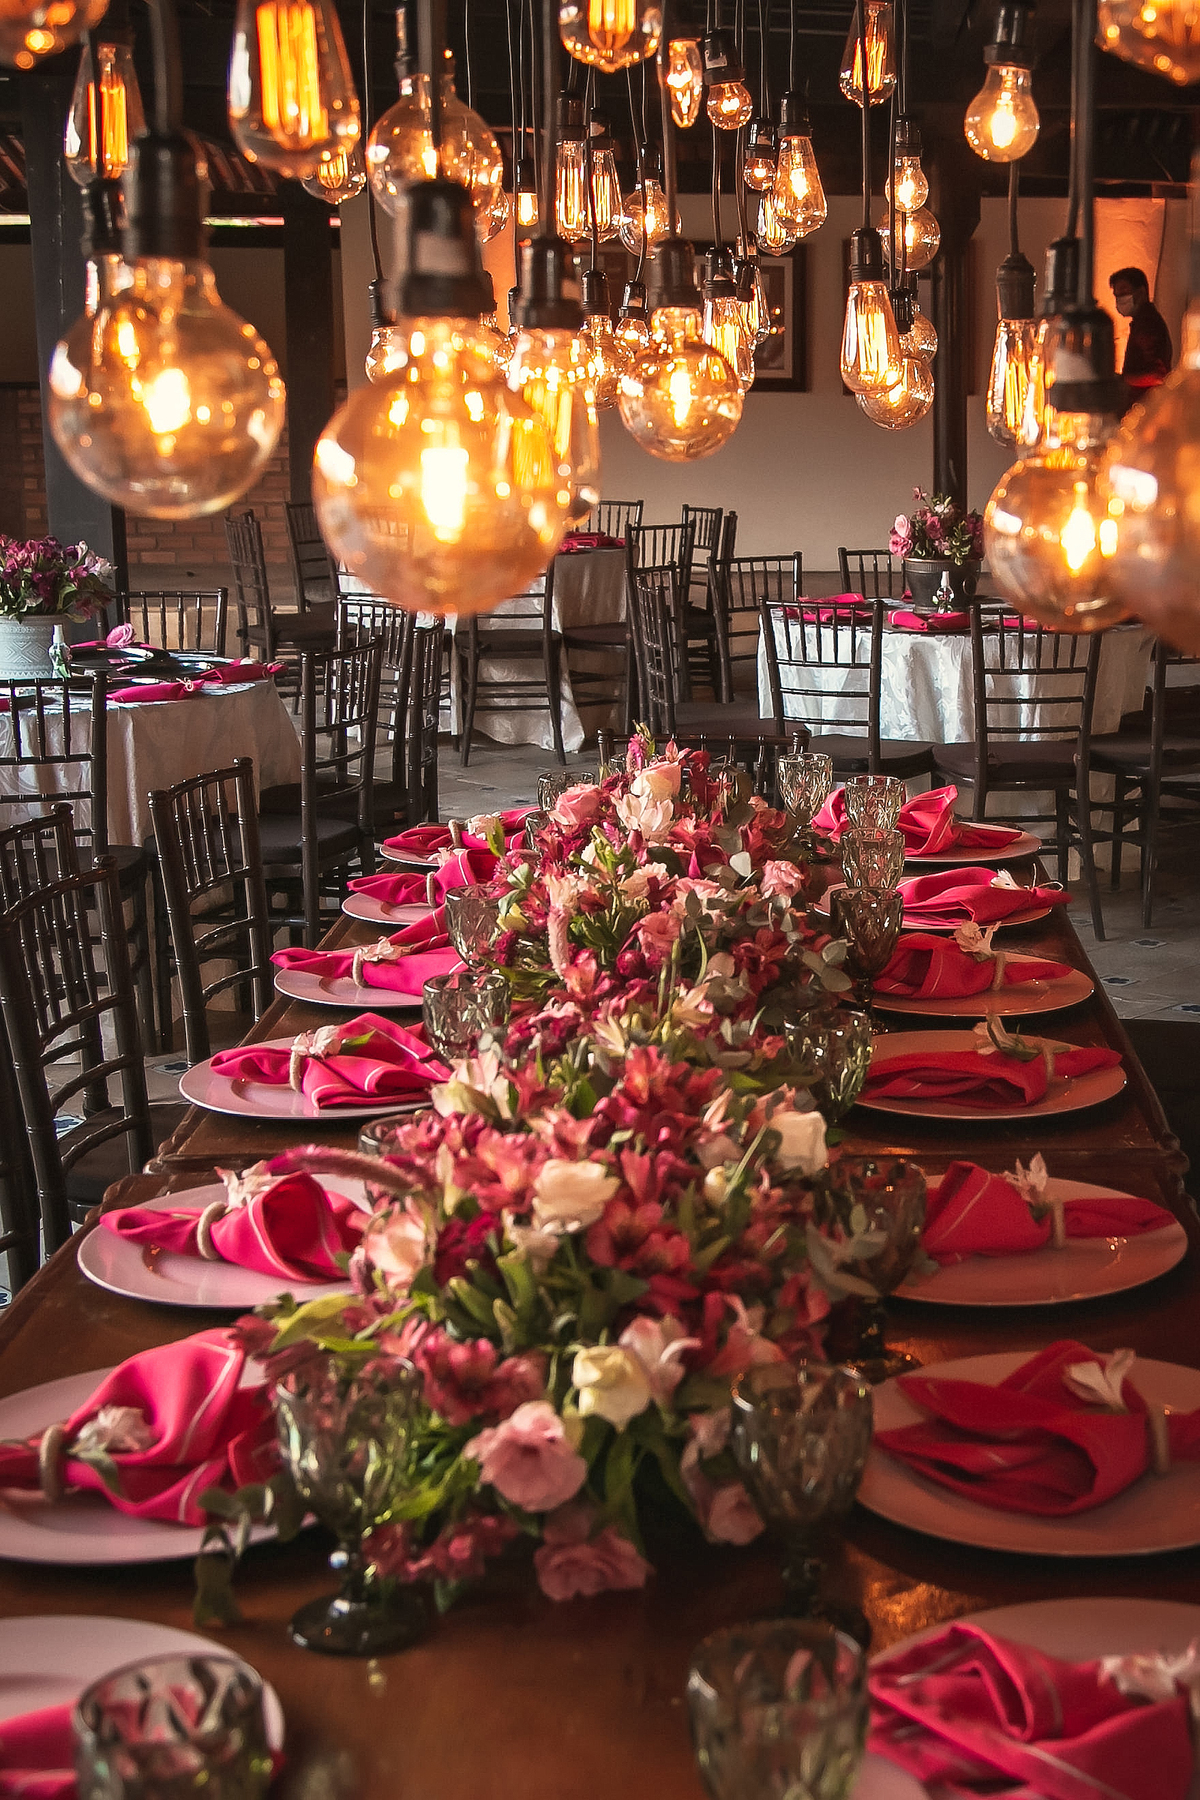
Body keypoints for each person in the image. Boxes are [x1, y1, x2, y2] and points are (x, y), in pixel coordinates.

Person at [1108, 266, 1173, 402]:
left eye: (1124, 292)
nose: (1120, 299)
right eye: (1117, 295)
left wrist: (1123, 380)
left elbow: (1158, 376)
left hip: (1146, 406)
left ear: (1141, 292)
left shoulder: (1147, 324)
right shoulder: (1142, 322)